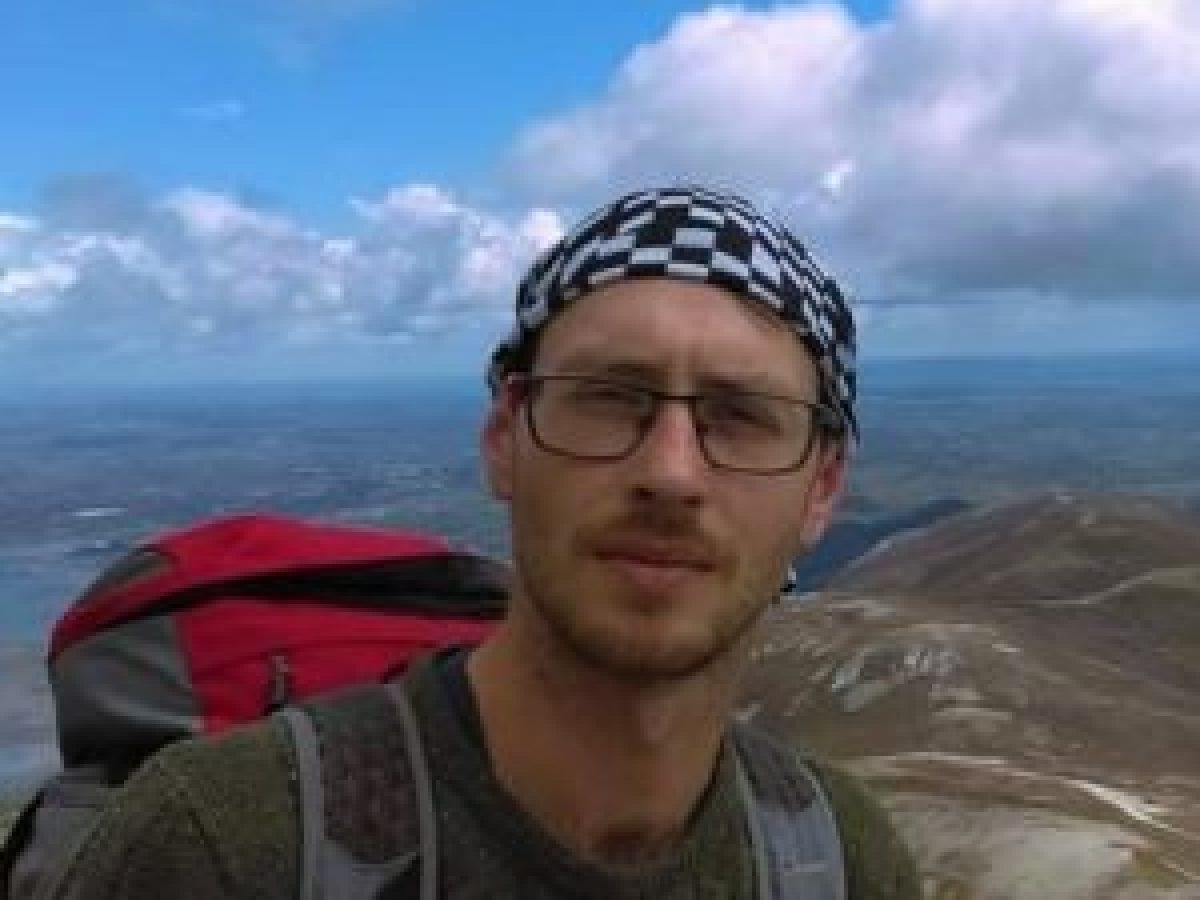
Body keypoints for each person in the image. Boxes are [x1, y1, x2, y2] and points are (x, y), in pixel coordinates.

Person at [48, 185, 919, 898]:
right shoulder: (225, 848)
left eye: (741, 417)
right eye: (610, 395)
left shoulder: (843, 859)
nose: (672, 473)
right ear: (505, 436)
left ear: (823, 487)